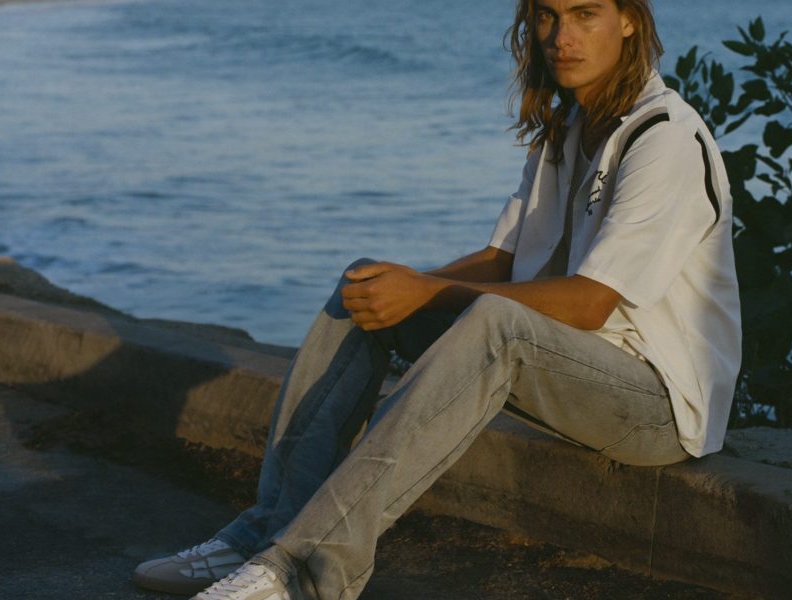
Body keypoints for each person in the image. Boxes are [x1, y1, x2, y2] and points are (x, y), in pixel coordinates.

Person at [132, 0, 741, 598]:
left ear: (629, 20)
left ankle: (303, 576)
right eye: (548, 16)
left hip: (656, 404)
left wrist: (427, 291)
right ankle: (264, 534)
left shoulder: (664, 138)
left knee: (496, 321)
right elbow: (503, 260)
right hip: (569, 364)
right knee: (364, 289)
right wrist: (403, 286)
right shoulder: (567, 128)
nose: (562, 36)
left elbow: (590, 304)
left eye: (585, 14)